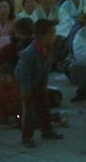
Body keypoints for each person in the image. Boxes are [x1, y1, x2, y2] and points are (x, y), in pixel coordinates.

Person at [15, 19, 63, 148]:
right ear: (41, 36)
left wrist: (43, 84)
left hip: (39, 80)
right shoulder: (29, 52)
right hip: (26, 82)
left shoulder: (49, 47)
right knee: (28, 110)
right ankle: (27, 137)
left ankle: (47, 131)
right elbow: (24, 74)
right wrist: (26, 91)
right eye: (51, 34)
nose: (54, 37)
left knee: (44, 106)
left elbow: (46, 67)